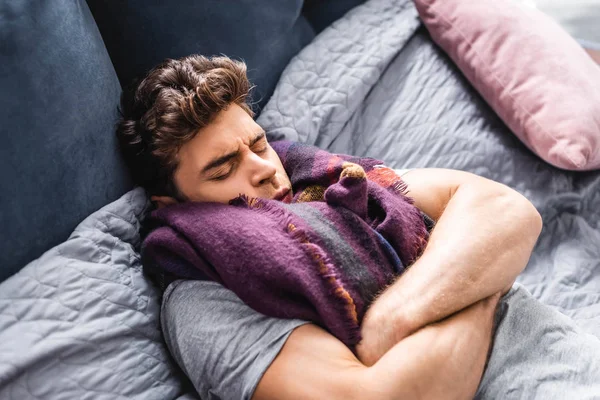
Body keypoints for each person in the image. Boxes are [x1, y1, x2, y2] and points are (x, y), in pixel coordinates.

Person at [116, 55, 600, 399]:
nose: (263, 169)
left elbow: (505, 210)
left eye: (259, 144)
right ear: (170, 201)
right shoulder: (202, 297)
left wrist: (395, 319)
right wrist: (482, 278)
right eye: (222, 170)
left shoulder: (322, 179)